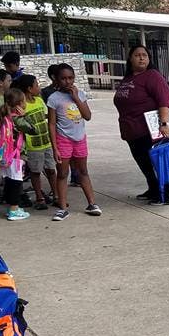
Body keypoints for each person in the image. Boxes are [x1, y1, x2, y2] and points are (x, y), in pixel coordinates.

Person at [114, 45, 169, 204]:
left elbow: (164, 100)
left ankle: (168, 195)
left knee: (158, 163)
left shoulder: (152, 76)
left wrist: (164, 123)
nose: (141, 58)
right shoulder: (128, 78)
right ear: (130, 59)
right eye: (137, 55)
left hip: (149, 130)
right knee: (144, 164)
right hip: (132, 131)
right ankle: (154, 189)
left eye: (145, 55)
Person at [48, 63, 102, 219]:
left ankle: (92, 203)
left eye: (70, 78)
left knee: (83, 171)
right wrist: (55, 147)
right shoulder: (54, 99)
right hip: (63, 139)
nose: (68, 82)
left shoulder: (80, 94)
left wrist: (76, 98)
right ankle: (62, 207)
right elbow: (51, 123)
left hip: (79, 139)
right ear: (57, 80)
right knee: (63, 173)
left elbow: (88, 116)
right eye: (63, 78)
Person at [0, 88, 30, 221]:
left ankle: (12, 207)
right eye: (24, 101)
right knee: (16, 182)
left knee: (9, 180)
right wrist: (24, 116)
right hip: (15, 156)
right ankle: (14, 209)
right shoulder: (17, 119)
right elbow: (31, 128)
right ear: (18, 104)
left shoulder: (1, 115)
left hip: (3, 155)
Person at [15, 74, 55, 210]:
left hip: (46, 141)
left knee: (51, 169)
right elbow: (20, 122)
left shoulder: (39, 100)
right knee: (35, 171)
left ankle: (56, 195)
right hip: (33, 144)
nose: (39, 87)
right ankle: (39, 197)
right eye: (36, 85)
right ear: (29, 88)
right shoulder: (21, 105)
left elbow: (45, 115)